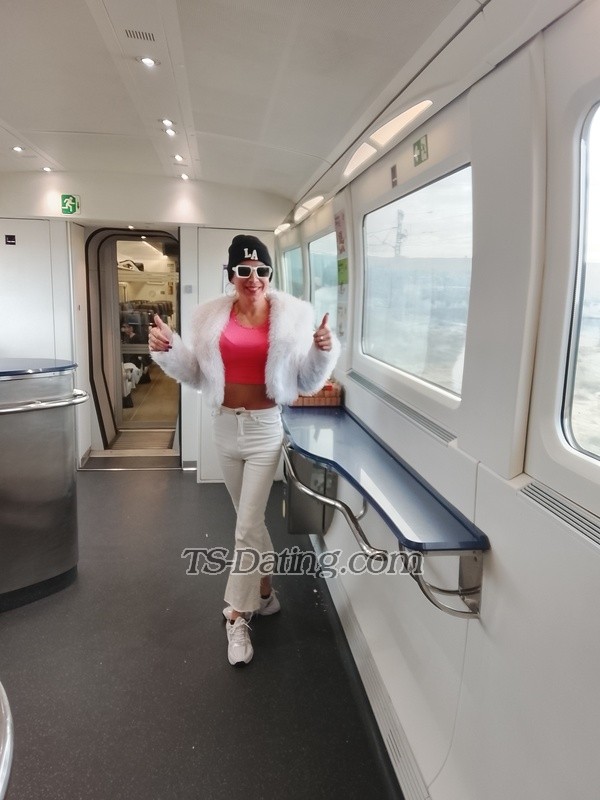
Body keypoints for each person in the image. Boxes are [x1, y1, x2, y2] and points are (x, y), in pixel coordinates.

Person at [149, 234, 340, 666]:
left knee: (245, 527)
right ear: (231, 274)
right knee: (248, 524)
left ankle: (238, 614)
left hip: (264, 430)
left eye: (261, 270)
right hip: (224, 427)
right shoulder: (208, 317)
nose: (254, 279)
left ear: (269, 273)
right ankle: (266, 593)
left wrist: (322, 352)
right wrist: (170, 348)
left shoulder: (293, 316)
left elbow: (306, 382)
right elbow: (196, 375)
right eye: (244, 270)